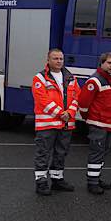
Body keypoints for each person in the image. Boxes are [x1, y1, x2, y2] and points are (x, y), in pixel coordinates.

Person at [31, 48, 81, 196]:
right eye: (55, 58)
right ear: (48, 60)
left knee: (61, 153)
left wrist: (70, 112)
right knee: (43, 153)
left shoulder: (71, 77)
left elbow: (77, 96)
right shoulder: (40, 78)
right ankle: (41, 183)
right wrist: (61, 114)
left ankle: (57, 180)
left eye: (61, 59)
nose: (59, 61)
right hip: (47, 124)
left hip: (66, 124)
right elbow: (42, 100)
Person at [77, 52, 111, 195]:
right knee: (96, 153)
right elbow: (83, 103)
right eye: (109, 63)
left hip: (108, 123)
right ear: (101, 63)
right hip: (98, 123)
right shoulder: (95, 81)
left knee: (103, 152)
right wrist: (88, 118)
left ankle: (97, 177)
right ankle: (92, 183)